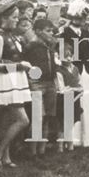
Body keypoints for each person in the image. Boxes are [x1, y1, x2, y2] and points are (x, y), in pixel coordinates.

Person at [0, 3, 32, 170]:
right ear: (4, 18)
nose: (16, 20)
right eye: (14, 17)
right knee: (23, 120)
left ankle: (6, 157)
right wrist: (19, 65)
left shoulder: (12, 36)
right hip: (6, 81)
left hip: (16, 80)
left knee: (8, 121)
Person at [58, 0, 89, 148]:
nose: (80, 20)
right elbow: (62, 54)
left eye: (83, 18)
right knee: (74, 104)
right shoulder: (65, 33)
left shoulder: (86, 32)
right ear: (72, 17)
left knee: (87, 103)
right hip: (72, 71)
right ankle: (73, 138)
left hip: (86, 71)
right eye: (78, 17)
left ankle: (88, 138)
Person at [22, 18, 58, 158]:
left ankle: (41, 150)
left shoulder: (51, 45)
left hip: (50, 83)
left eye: (51, 31)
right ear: (38, 31)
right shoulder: (31, 46)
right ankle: (32, 150)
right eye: (48, 31)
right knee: (38, 117)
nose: (51, 33)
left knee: (47, 116)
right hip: (36, 83)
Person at [55, 43, 82, 152]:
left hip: (74, 99)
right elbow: (61, 89)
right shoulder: (59, 71)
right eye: (65, 56)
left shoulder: (75, 69)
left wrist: (79, 88)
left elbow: (79, 82)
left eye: (70, 55)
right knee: (62, 123)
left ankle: (70, 145)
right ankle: (60, 146)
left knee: (71, 122)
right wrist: (76, 89)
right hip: (63, 100)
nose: (69, 58)